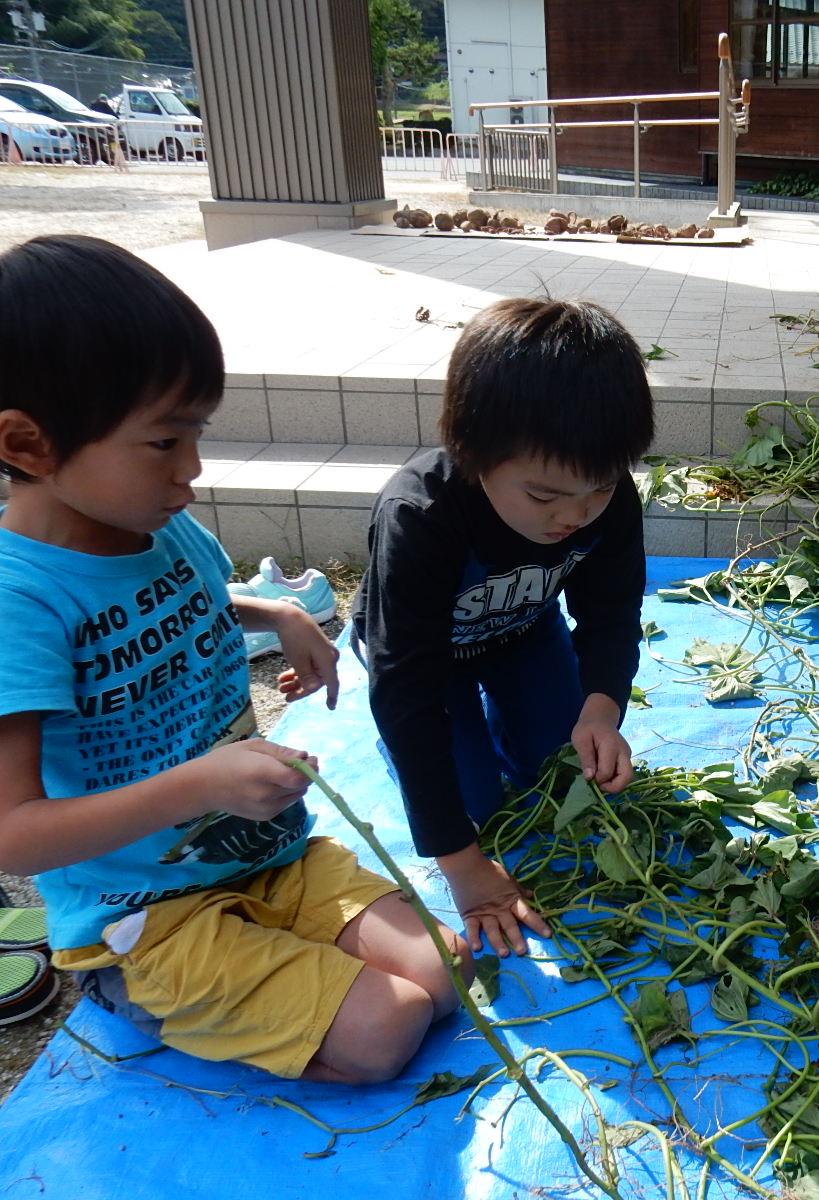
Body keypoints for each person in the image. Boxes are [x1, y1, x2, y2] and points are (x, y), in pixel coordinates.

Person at [0, 235, 467, 1084]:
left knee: (447, 970)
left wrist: (278, 612)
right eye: (163, 442)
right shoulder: (18, 604)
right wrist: (202, 784)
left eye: (197, 434)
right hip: (145, 912)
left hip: (268, 853)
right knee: (387, 1030)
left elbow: (197, 599)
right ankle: (135, 993)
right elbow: (15, 837)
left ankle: (273, 970)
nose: (194, 469)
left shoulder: (163, 528)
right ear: (29, 446)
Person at [354, 297, 654, 960]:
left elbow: (611, 612)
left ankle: (503, 726)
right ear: (472, 453)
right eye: (544, 497)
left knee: (557, 768)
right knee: (475, 808)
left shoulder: (608, 496)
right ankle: (423, 752)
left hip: (521, 630)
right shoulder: (420, 515)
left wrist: (602, 707)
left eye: (599, 490)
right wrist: (463, 868)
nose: (574, 516)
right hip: (429, 662)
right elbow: (408, 689)